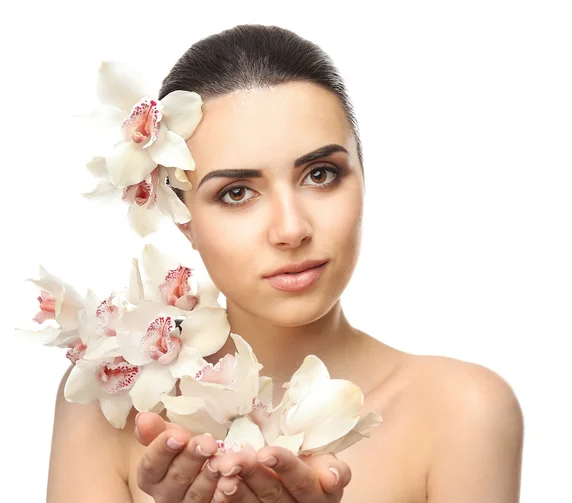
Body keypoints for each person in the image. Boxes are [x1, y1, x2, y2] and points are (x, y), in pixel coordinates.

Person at [46, 24, 524, 502]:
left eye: (321, 174)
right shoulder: (109, 400)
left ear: (363, 174)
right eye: (236, 193)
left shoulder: (463, 411)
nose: (291, 228)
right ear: (184, 219)